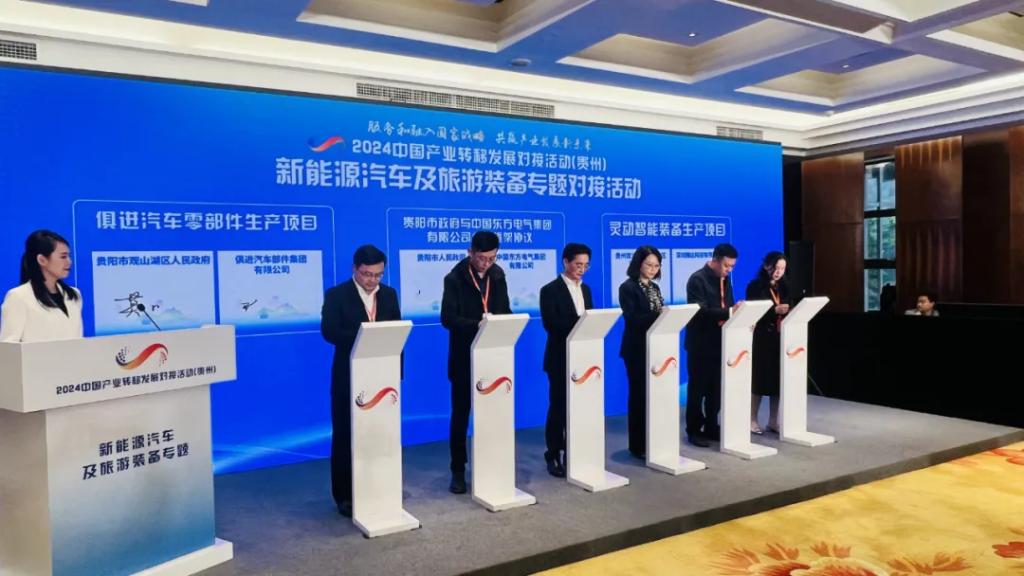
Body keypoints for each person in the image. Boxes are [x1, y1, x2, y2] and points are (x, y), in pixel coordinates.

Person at [320, 244, 401, 517]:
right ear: (355, 269)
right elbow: (329, 331)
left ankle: (378, 487)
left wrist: (397, 374)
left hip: (383, 378)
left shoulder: (389, 295)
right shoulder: (337, 295)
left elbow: (397, 335)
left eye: (378, 275)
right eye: (367, 274)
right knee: (345, 436)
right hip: (349, 376)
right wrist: (366, 335)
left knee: (380, 434)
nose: (372, 280)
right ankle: (344, 495)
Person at [440, 231, 511, 494]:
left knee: (492, 415)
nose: (486, 263)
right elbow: (448, 318)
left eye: (492, 258)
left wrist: (504, 322)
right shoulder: (454, 278)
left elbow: (504, 309)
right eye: (482, 258)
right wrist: (478, 324)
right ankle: (458, 471)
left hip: (492, 357)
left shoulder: (498, 275)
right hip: (464, 357)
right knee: (461, 415)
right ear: (470, 253)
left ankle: (490, 465)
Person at [539, 243, 594, 477]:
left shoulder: (586, 290)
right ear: (565, 262)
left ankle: (575, 452)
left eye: (586, 265)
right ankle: (553, 453)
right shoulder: (549, 290)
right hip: (559, 357)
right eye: (578, 264)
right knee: (559, 407)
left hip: (583, 358)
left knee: (579, 407)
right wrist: (580, 322)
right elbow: (551, 324)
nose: (582, 269)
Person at [684, 243, 740, 447]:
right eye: (726, 265)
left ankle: (711, 425)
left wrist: (737, 314)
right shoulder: (697, 279)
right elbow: (700, 312)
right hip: (700, 343)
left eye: (732, 266)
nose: (729, 270)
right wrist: (731, 312)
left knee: (716, 390)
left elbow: (729, 305)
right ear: (715, 260)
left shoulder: (725, 280)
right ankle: (693, 429)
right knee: (697, 389)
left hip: (720, 342)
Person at [618, 246, 664, 459]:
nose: (653, 269)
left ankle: (653, 440)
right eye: (649, 265)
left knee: (654, 396)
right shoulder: (627, 287)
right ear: (638, 264)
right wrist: (660, 315)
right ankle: (637, 445)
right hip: (636, 348)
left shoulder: (655, 287)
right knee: (638, 396)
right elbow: (632, 318)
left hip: (656, 347)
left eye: (656, 265)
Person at [0, 230, 83, 343]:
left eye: (69, 256)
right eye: (63, 257)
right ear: (42, 260)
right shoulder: (18, 297)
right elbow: (9, 346)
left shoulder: (74, 295)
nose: (69, 262)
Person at [746, 251, 790, 435]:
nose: (778, 272)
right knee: (759, 381)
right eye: (776, 267)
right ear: (766, 266)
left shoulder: (784, 286)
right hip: (762, 338)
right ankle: (752, 419)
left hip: (780, 337)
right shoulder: (755, 286)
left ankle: (773, 421)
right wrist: (774, 311)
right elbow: (752, 312)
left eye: (782, 269)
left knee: (777, 382)